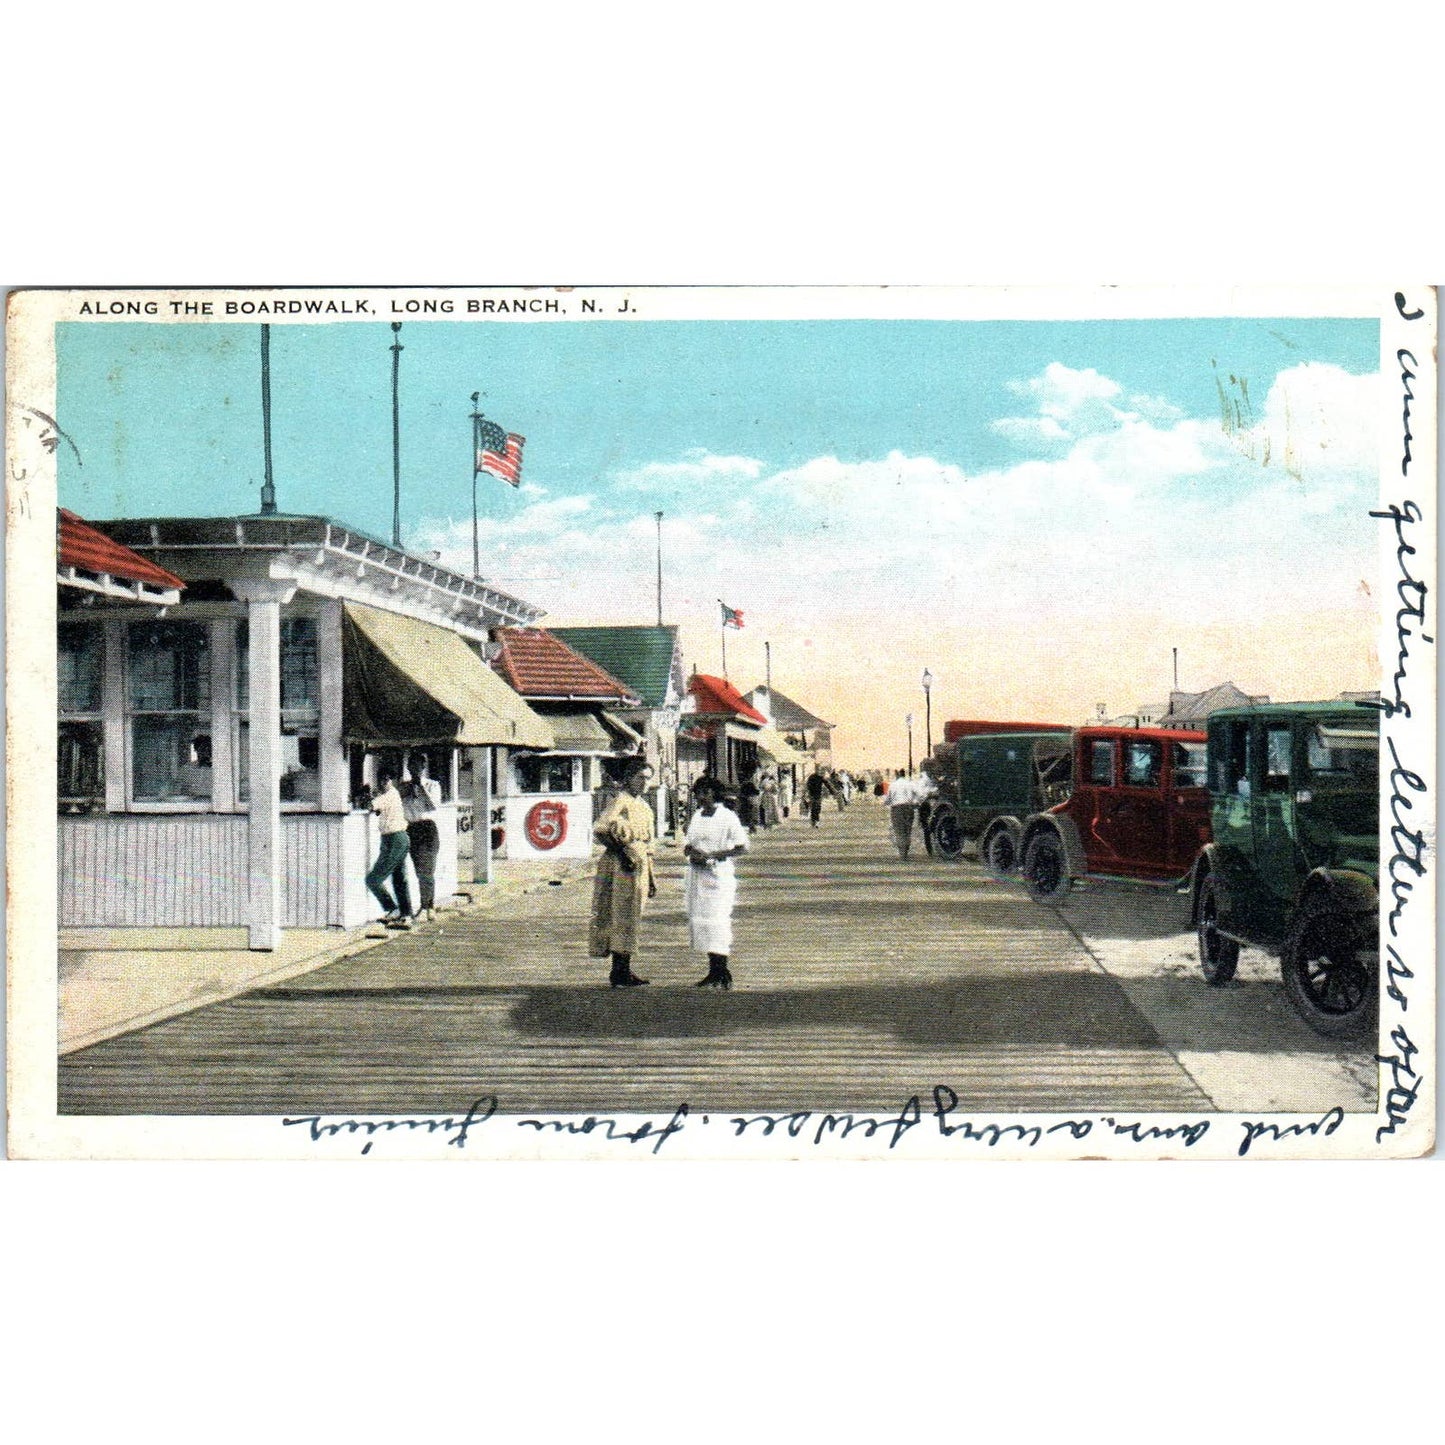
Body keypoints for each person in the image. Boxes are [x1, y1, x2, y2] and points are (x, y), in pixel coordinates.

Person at [589, 761, 657, 987]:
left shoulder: (644, 806)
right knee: (620, 914)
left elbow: (648, 846)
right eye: (640, 778)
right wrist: (622, 851)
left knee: (633, 915)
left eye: (648, 778)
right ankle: (619, 971)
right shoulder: (620, 800)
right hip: (620, 864)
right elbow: (601, 829)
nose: (644, 783)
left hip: (640, 864)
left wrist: (652, 877)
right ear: (629, 778)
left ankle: (624, 968)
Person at [683, 776, 750, 989]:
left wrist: (715, 855)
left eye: (705, 793)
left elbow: (742, 847)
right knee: (702, 923)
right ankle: (713, 970)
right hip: (697, 876)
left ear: (715, 793)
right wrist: (692, 852)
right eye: (698, 793)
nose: (701, 797)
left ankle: (722, 970)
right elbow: (688, 843)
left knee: (718, 921)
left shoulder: (727, 817)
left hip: (718, 876)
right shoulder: (697, 816)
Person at [366, 769, 413, 928]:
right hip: (392, 839)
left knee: (373, 879)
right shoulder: (387, 796)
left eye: (386, 779)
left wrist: (367, 796)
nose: (383, 782)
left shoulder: (390, 795)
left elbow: (370, 806)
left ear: (392, 781)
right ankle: (405, 915)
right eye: (381, 779)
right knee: (399, 879)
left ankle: (393, 909)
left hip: (395, 839)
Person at [402, 750, 443, 922]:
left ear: (424, 766)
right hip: (411, 828)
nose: (414, 769)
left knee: (428, 869)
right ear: (408, 767)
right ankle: (423, 904)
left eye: (418, 766)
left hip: (427, 827)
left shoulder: (433, 785)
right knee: (418, 870)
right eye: (411, 766)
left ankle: (430, 906)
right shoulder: (404, 786)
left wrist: (420, 787)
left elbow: (433, 806)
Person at [885, 768, 922, 860]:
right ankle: (906, 850)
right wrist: (915, 802)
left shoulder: (893, 785)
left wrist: (888, 803)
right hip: (909, 807)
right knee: (907, 829)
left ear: (897, 775)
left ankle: (902, 853)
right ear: (904, 774)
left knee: (899, 830)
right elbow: (919, 795)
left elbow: (887, 800)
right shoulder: (910, 784)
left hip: (896, 808)